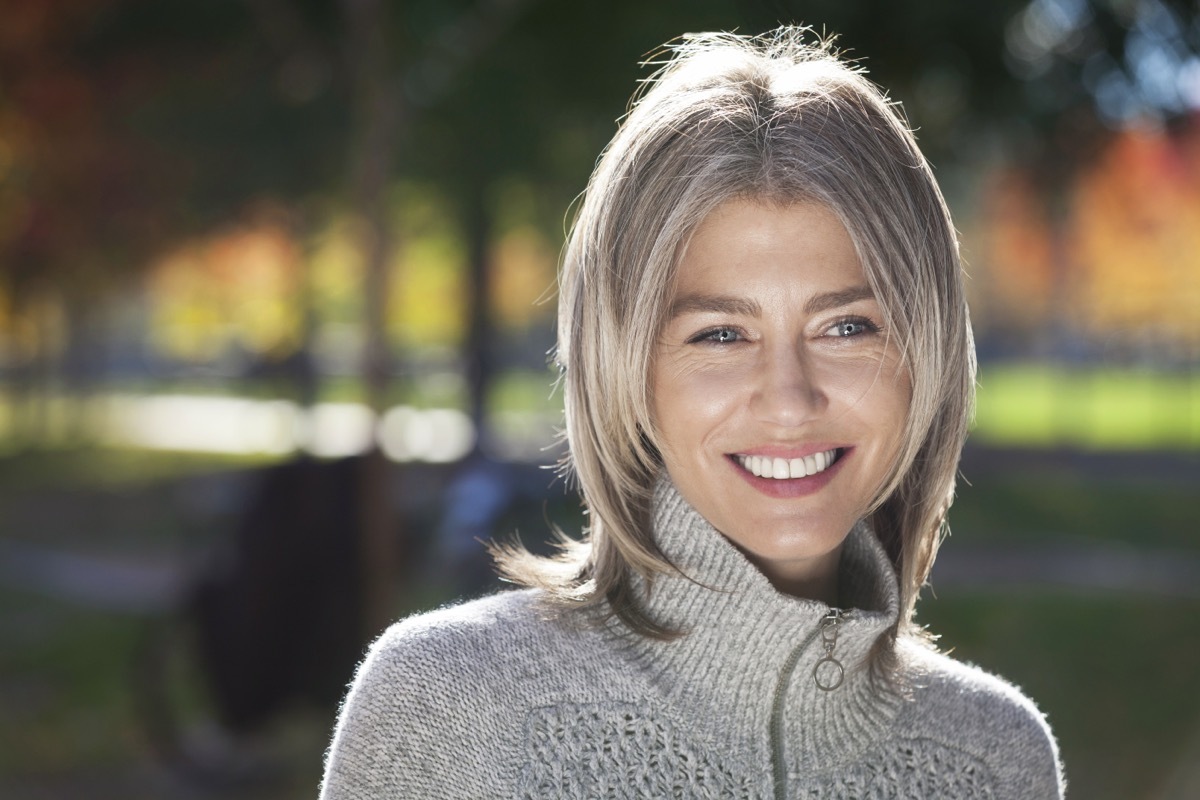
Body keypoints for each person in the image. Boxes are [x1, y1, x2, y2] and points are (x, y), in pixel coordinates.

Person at [320, 27, 1065, 799]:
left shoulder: (996, 759)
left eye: (847, 326)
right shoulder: (449, 709)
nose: (787, 399)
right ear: (629, 368)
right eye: (720, 334)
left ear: (928, 354)